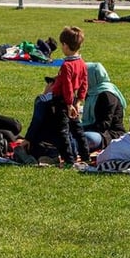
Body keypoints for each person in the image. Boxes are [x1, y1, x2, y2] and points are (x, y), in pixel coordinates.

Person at [48, 26, 91, 166]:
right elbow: (84, 82)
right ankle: (85, 155)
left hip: (63, 100)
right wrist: (79, 100)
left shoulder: (67, 65)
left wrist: (68, 104)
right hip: (73, 99)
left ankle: (69, 159)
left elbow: (67, 86)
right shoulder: (82, 63)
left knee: (63, 131)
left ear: (65, 45)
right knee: (77, 129)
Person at [81, 63, 127, 152]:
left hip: (109, 134)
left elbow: (105, 124)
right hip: (92, 129)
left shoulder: (107, 95)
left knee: (87, 138)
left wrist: (82, 129)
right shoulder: (91, 93)